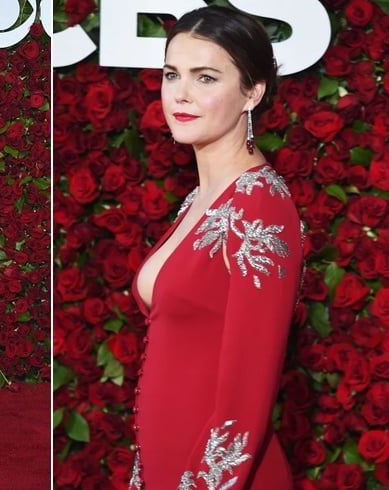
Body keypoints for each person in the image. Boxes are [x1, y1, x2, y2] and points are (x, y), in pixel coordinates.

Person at [129, 6, 302, 490]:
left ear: (253, 92)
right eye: (171, 74)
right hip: (163, 463)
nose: (180, 94)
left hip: (217, 477)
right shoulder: (200, 198)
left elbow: (246, 396)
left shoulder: (260, 206)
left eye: (205, 77)